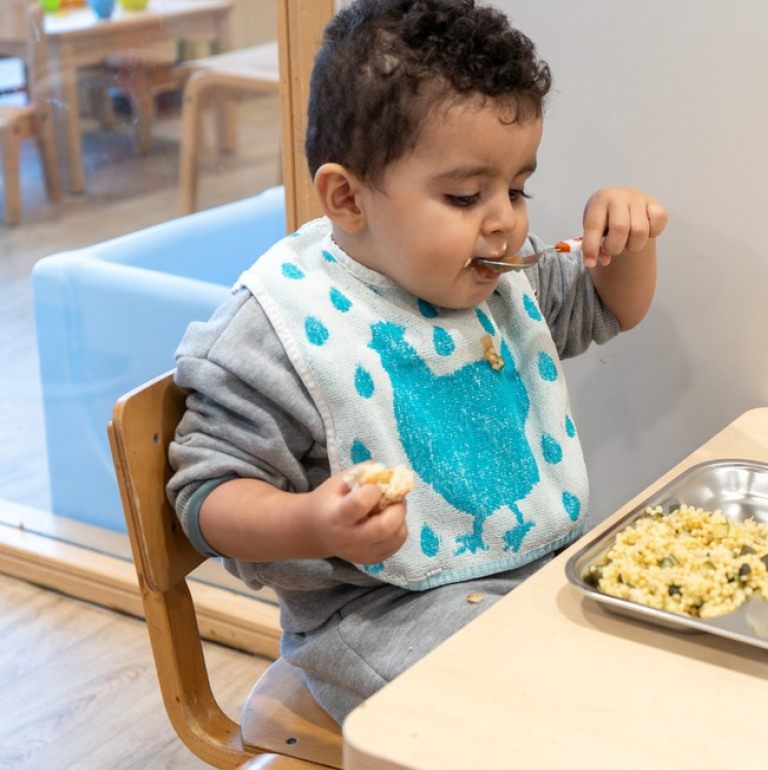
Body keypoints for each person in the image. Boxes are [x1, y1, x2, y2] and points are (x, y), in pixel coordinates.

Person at [167, 0, 667, 723]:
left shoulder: (498, 280)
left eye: (517, 187)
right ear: (347, 197)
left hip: (532, 573)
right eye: (466, 195)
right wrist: (312, 523)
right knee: (545, 716)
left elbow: (611, 305)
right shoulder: (282, 326)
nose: (506, 219)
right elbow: (206, 496)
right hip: (385, 615)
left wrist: (631, 240)